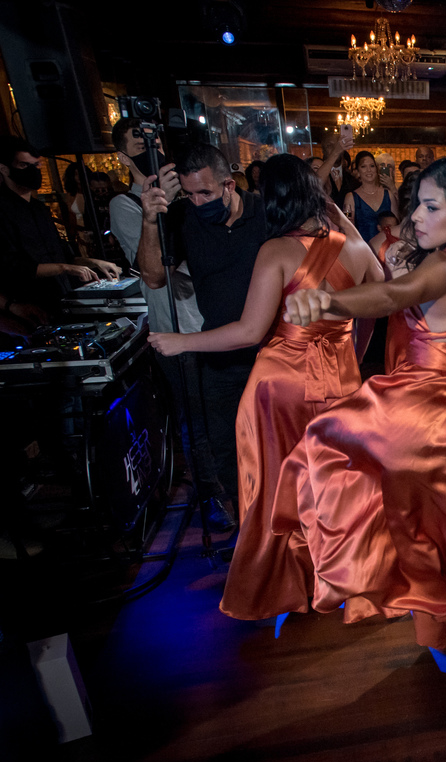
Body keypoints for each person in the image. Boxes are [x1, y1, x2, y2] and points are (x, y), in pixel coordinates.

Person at [272, 155, 446, 706]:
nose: (416, 216)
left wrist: (327, 299)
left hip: (428, 409)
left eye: (431, 207)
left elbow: (390, 297)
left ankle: (396, 602)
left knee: (325, 452)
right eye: (417, 204)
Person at [147, 154, 383, 621]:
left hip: (283, 382)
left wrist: (182, 342)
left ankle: (284, 578)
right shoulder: (352, 250)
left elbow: (251, 332)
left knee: (278, 486)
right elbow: (378, 290)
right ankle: (339, 576)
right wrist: (341, 223)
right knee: (336, 484)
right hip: (341, 377)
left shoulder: (276, 250)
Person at [108, 118, 232, 532]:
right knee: (194, 418)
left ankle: (233, 487)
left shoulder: (190, 195)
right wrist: (153, 216)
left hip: (215, 322)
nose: (151, 148)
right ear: (124, 156)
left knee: (222, 414)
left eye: (155, 140)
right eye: (139, 144)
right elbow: (155, 271)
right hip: (175, 325)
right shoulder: (125, 206)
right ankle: (212, 496)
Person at [138, 143, 270, 516]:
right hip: (220, 355)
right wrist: (150, 221)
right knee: (227, 449)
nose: (197, 202)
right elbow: (152, 276)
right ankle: (249, 527)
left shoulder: (264, 213)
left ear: (229, 184)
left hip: (273, 351)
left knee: (277, 443)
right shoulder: (182, 217)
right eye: (190, 193)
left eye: (206, 193)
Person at [0, 136, 120, 325]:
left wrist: (93, 262)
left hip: (60, 300)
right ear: (4, 169)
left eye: (37, 165)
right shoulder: (3, 211)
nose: (33, 171)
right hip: (28, 308)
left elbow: (62, 255)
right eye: (24, 166)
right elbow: (15, 268)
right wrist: (65, 268)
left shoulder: (39, 209)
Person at [342, 151, 398, 244]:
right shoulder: (350, 197)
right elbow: (347, 226)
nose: (369, 170)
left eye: (372, 166)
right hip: (363, 250)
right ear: (358, 171)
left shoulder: (388, 195)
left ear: (376, 169)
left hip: (387, 249)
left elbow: (397, 224)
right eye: (363, 166)